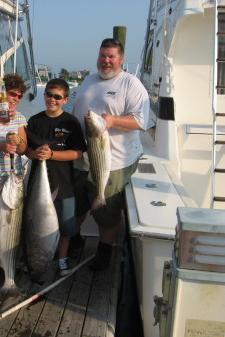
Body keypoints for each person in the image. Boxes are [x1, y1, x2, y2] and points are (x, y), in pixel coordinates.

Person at [71, 38, 149, 271]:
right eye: (103, 56)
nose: (106, 61)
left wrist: (112, 120)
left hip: (112, 162)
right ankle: (75, 241)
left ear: (121, 59)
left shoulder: (131, 84)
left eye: (111, 57)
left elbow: (141, 121)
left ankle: (104, 252)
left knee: (107, 211)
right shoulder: (89, 79)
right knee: (76, 205)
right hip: (81, 158)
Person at [20, 78, 87, 277]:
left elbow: (78, 153)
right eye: (49, 94)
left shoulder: (70, 122)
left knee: (65, 226)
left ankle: (62, 258)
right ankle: (33, 256)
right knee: (33, 223)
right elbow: (28, 151)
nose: (52, 99)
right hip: (37, 183)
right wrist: (35, 154)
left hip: (63, 183)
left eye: (57, 97)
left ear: (65, 99)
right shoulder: (35, 121)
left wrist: (51, 154)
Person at [0, 73, 28, 182]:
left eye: (20, 96)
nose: (16, 99)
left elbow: (23, 150)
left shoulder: (20, 118)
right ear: (1, 93)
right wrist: (1, 147)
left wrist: (18, 141)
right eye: (13, 94)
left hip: (14, 177)